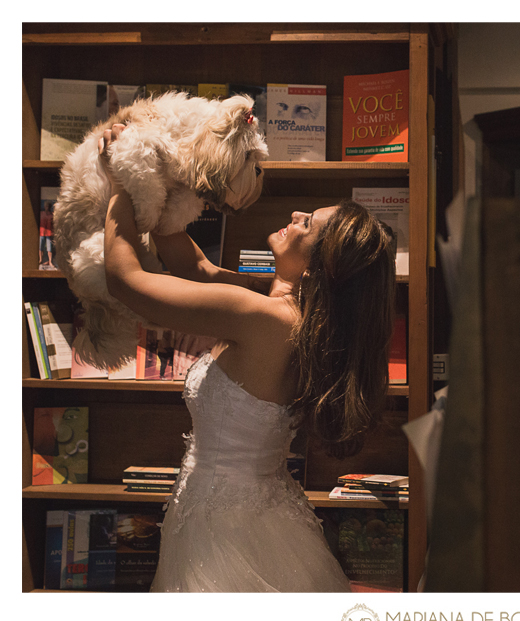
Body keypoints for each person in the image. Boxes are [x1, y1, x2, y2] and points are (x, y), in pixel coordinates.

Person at [99, 124, 396, 591]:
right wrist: (153, 178)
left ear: (323, 265)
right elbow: (192, 266)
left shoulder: (263, 316)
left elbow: (126, 281)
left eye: (308, 224)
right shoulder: (287, 312)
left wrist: (119, 186)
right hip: (250, 512)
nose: (296, 214)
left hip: (225, 532)